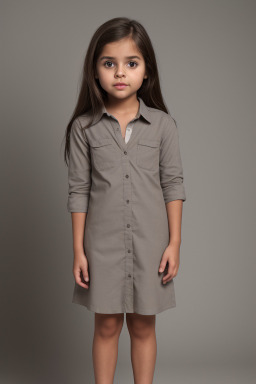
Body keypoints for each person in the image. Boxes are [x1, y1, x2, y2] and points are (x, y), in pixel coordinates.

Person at [64, 16, 186, 384]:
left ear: (146, 71)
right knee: (106, 327)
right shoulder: (83, 129)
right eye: (109, 63)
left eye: (131, 63)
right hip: (102, 247)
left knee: (144, 328)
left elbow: (174, 184)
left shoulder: (164, 126)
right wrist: (78, 250)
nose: (120, 73)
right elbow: (78, 190)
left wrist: (174, 243)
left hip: (150, 245)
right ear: (95, 71)